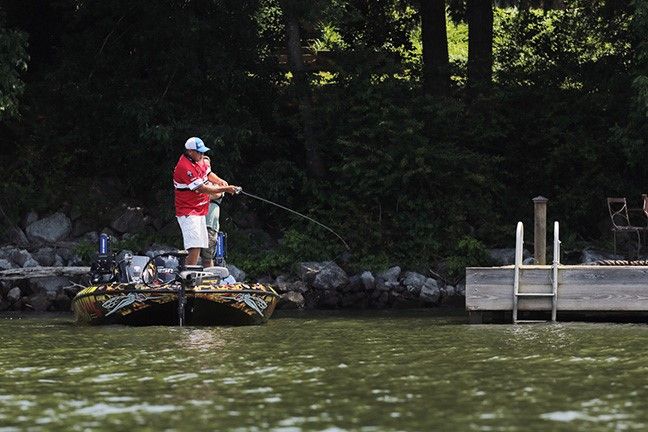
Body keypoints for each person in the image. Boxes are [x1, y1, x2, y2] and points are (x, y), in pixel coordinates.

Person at [173, 137, 239, 266]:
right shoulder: (184, 167)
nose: (202, 155)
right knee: (194, 246)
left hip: (199, 211)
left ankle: (190, 275)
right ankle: (188, 277)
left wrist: (219, 181)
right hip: (188, 211)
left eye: (203, 152)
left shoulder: (199, 160)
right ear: (190, 151)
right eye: (200, 152)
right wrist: (226, 188)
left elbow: (208, 173)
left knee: (201, 244)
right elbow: (202, 188)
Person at [200, 155, 223, 268]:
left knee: (207, 258)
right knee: (192, 254)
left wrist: (200, 193)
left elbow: (215, 194)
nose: (205, 167)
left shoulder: (218, 184)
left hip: (210, 226)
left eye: (207, 166)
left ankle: (210, 280)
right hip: (196, 224)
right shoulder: (195, 182)